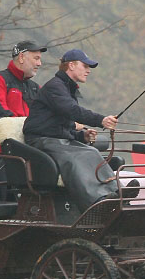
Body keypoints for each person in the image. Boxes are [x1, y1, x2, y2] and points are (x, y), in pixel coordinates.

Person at [23, 49, 121, 211]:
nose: (88, 71)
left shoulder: (66, 88)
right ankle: (94, 203)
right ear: (72, 65)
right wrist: (101, 120)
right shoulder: (55, 87)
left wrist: (82, 136)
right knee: (76, 158)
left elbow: (63, 125)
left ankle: (115, 193)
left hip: (56, 139)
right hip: (41, 141)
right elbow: (71, 111)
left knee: (93, 152)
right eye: (85, 66)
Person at [0, 40, 47, 200]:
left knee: (36, 195)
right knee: (1, 194)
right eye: (36, 58)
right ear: (21, 57)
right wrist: (31, 124)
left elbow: (46, 117)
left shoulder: (35, 88)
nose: (40, 63)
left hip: (25, 152)